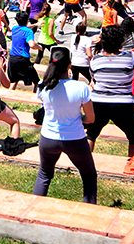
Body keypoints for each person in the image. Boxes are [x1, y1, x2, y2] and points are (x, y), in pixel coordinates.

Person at [34, 47, 96, 204]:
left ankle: (33, 207)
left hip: (48, 138)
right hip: (75, 139)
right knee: (88, 175)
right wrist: (79, 119)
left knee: (44, 174)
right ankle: (90, 210)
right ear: (70, 64)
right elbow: (91, 118)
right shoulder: (80, 87)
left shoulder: (42, 86)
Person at [87, 25, 134, 156]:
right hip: (123, 103)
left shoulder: (96, 60)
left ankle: (84, 164)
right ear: (121, 41)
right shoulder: (131, 57)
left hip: (99, 102)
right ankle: (133, 165)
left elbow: (93, 77)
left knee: (91, 134)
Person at [7, 11, 39, 91]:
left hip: (12, 58)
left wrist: (35, 25)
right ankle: (35, 96)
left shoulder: (14, 28)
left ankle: (9, 96)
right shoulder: (29, 32)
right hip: (23, 59)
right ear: (27, 20)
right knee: (36, 80)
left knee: (14, 81)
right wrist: (39, 47)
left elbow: (24, 28)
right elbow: (32, 44)